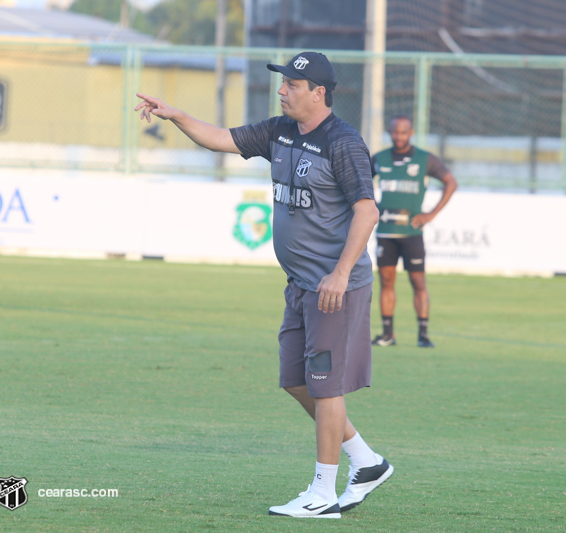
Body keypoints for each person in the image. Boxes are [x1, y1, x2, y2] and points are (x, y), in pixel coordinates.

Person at [135, 51, 394, 519]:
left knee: (325, 388)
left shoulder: (343, 142)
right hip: (300, 284)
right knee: (296, 381)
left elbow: (367, 211)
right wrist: (176, 116)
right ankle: (366, 461)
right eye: (283, 83)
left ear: (318, 93)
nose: (282, 91)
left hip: (334, 289)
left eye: (292, 85)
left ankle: (323, 494)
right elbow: (222, 139)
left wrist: (339, 274)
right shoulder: (280, 130)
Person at [371, 116, 458, 348]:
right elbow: (358, 182)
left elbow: (451, 182)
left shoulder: (424, 159)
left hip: (412, 233)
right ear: (389, 132)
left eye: (403, 132)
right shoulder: (379, 159)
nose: (398, 136)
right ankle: (388, 335)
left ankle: (423, 335)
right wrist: (371, 207)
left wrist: (431, 214)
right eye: (395, 132)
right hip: (386, 232)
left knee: (418, 281)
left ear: (411, 133)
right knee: (386, 282)